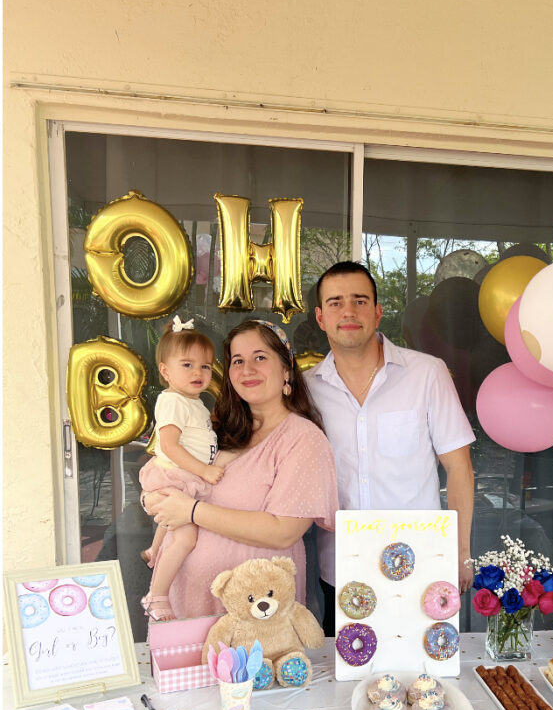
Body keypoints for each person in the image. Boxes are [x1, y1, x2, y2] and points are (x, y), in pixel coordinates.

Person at [306, 261, 475, 635]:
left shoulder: (427, 374)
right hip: (342, 568)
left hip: (422, 565)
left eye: (359, 300)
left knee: (426, 680)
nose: (348, 311)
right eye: (335, 303)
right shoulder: (307, 390)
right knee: (347, 682)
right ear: (320, 317)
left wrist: (460, 553)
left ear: (378, 312)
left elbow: (459, 467)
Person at [143, 318, 338, 620]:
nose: (247, 369)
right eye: (238, 360)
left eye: (260, 357)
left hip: (256, 618)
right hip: (185, 608)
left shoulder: (303, 439)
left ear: (286, 369)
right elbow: (170, 471)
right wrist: (153, 499)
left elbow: (283, 532)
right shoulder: (217, 428)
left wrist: (192, 511)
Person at [139, 316, 224, 621]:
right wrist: (204, 470)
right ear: (165, 370)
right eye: (187, 365)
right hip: (176, 474)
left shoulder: (194, 402)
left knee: (174, 522)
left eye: (205, 366)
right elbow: (171, 446)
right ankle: (156, 596)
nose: (198, 372)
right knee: (186, 538)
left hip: (181, 476)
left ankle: (153, 549)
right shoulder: (173, 400)